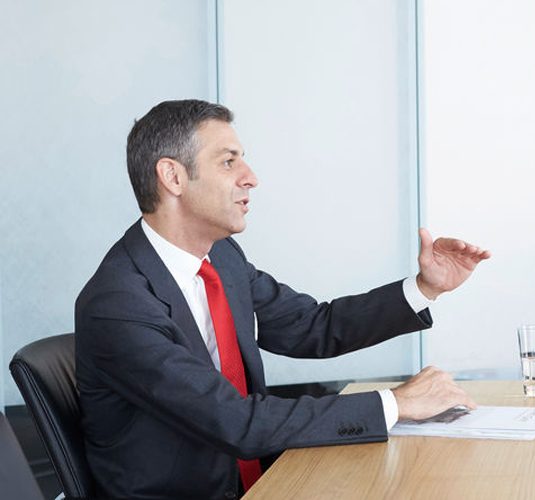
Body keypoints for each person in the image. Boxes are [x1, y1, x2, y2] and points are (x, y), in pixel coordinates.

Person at [75, 99, 490, 499]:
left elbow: (313, 327)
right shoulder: (117, 304)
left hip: (264, 482)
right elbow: (234, 421)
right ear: (173, 177)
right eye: (228, 162)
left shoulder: (222, 258)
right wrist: (396, 403)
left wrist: (425, 286)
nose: (250, 177)